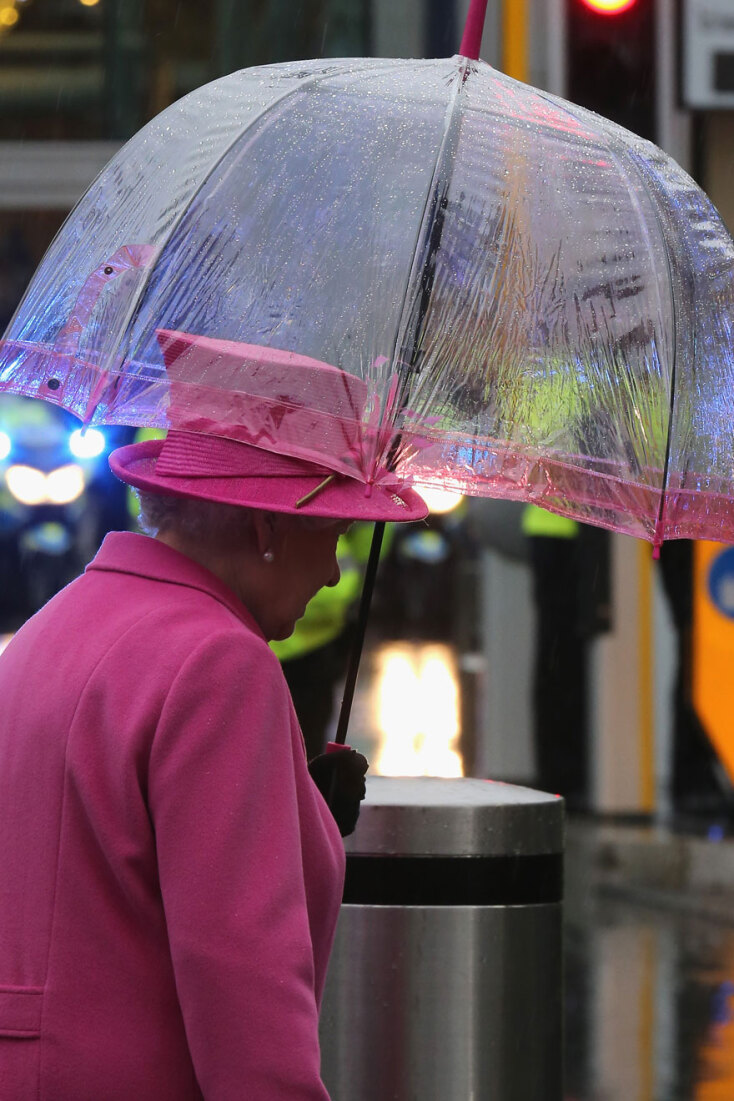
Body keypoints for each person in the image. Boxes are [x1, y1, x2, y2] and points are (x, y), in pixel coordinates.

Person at [0, 406, 426, 1095]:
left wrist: (294, 810)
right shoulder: (221, 662)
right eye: (334, 536)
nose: (333, 574)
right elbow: (246, 995)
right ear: (267, 529)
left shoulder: (56, 622)